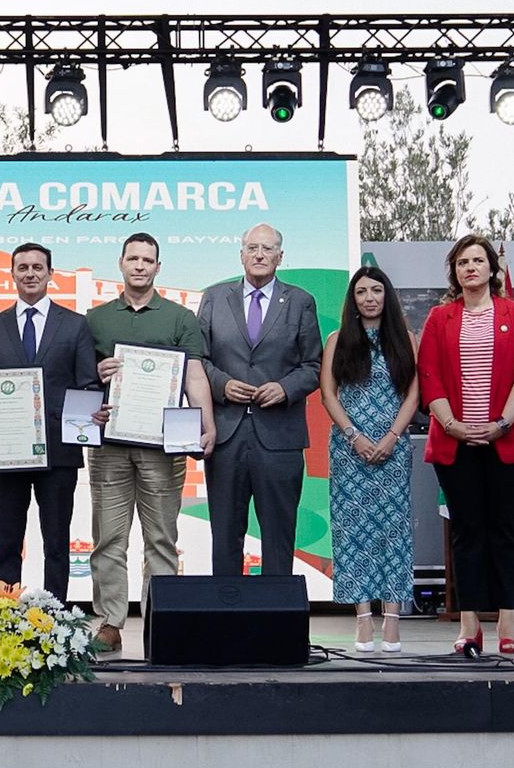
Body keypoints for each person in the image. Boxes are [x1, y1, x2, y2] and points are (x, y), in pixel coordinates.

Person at [84, 232, 215, 654]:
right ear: (120, 264)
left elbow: (195, 375)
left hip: (164, 445)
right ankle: (108, 622)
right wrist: (96, 374)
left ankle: (163, 620)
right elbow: (82, 381)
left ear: (158, 267)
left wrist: (207, 424)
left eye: (148, 260)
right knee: (109, 537)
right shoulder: (96, 319)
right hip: (109, 444)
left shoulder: (180, 318)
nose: (140, 266)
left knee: (161, 536)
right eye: (133, 259)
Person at [417, 233, 514, 655]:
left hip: (507, 441)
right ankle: (469, 625)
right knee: (466, 532)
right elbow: (429, 375)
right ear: (454, 271)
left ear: (493, 268)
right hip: (455, 442)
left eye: (478, 260)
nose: (470, 267)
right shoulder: (439, 318)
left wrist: (502, 423)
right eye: (462, 262)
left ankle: (508, 622)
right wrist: (450, 423)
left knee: (506, 530)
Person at [0, 242, 98, 602]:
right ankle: (3, 616)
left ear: (50, 274)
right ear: (12, 274)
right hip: (7, 453)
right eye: (22, 267)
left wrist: (90, 413)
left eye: (38, 268)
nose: (30, 274)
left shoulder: (75, 325)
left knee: (56, 540)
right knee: (7, 539)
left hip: (59, 452)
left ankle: (55, 618)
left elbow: (87, 383)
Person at [197, 222, 322, 579]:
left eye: (267, 249)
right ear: (241, 255)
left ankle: (277, 628)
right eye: (252, 248)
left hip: (279, 437)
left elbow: (313, 365)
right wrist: (221, 384)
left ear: (280, 257)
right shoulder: (214, 297)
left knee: (279, 536)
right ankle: (226, 619)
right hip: (226, 436)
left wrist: (285, 389)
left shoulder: (300, 301)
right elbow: (198, 359)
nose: (259, 255)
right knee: (224, 535)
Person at [319, 266, 419, 652]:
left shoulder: (405, 339)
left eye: (377, 290)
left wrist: (392, 436)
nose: (370, 298)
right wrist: (354, 436)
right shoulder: (337, 339)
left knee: (392, 532)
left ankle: (392, 620)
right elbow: (329, 394)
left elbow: (414, 392)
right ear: (353, 299)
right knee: (354, 532)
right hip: (349, 450)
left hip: (393, 449)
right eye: (361, 292)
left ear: (387, 296)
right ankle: (362, 620)